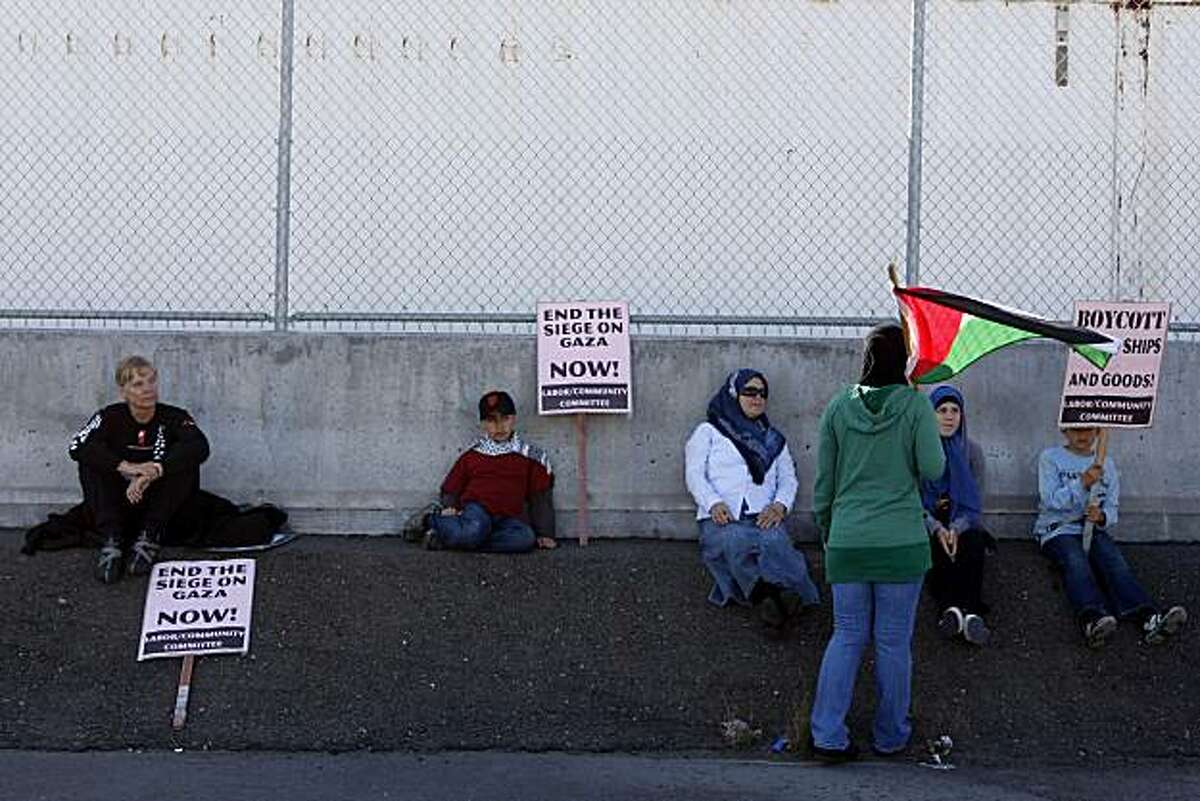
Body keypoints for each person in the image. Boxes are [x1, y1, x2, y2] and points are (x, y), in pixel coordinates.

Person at [808, 323, 945, 763]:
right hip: (901, 544)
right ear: (904, 357)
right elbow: (933, 468)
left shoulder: (837, 406)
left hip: (848, 541)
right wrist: (919, 412)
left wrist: (828, 531)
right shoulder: (915, 406)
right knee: (892, 643)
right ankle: (890, 736)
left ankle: (826, 735)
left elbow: (824, 482)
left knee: (846, 636)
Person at [684, 369, 819, 636]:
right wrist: (712, 503)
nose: (757, 398)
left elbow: (788, 479)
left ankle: (770, 603)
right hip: (724, 515)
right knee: (735, 541)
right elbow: (694, 473)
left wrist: (780, 505)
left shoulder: (774, 438)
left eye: (762, 393)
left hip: (763, 515)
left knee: (775, 542)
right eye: (749, 392)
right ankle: (776, 597)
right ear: (733, 394)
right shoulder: (708, 431)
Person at [1035, 426, 1187, 648]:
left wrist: (1102, 516)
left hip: (1093, 528)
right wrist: (1082, 483)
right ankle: (1092, 618)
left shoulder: (1107, 463)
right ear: (1064, 430)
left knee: (1114, 562)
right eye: (1076, 429)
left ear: (1098, 432)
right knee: (1076, 562)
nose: (1082, 435)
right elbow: (1050, 501)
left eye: (1089, 430)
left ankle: (1148, 617)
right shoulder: (1050, 458)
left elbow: (1112, 507)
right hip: (1058, 529)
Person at [68, 355, 210, 583]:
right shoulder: (108, 416)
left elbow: (200, 446)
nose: (148, 389)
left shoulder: (174, 416)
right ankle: (112, 539)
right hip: (120, 500)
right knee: (90, 462)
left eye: (152, 381)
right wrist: (126, 467)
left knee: (186, 460)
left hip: (161, 504)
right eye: (138, 384)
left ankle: (149, 537)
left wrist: (155, 470)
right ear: (123, 391)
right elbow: (77, 446)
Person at [402, 390, 557, 553]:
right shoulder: (473, 454)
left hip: (508, 518)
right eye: (492, 421)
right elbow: (451, 487)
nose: (500, 426)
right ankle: (428, 521)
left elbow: (540, 497)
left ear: (514, 419)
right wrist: (450, 506)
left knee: (524, 539)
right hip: (476, 512)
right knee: (473, 530)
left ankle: (445, 539)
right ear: (483, 424)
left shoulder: (531, 456)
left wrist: (545, 533)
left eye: (505, 419)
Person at [921, 386, 995, 646]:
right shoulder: (919, 450)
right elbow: (911, 501)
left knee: (973, 543)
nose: (949, 416)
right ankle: (950, 609)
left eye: (955, 411)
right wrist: (937, 528)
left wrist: (955, 527)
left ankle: (972, 613)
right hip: (926, 522)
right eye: (942, 410)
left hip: (964, 521)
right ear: (930, 415)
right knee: (938, 551)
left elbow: (976, 502)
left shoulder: (971, 451)